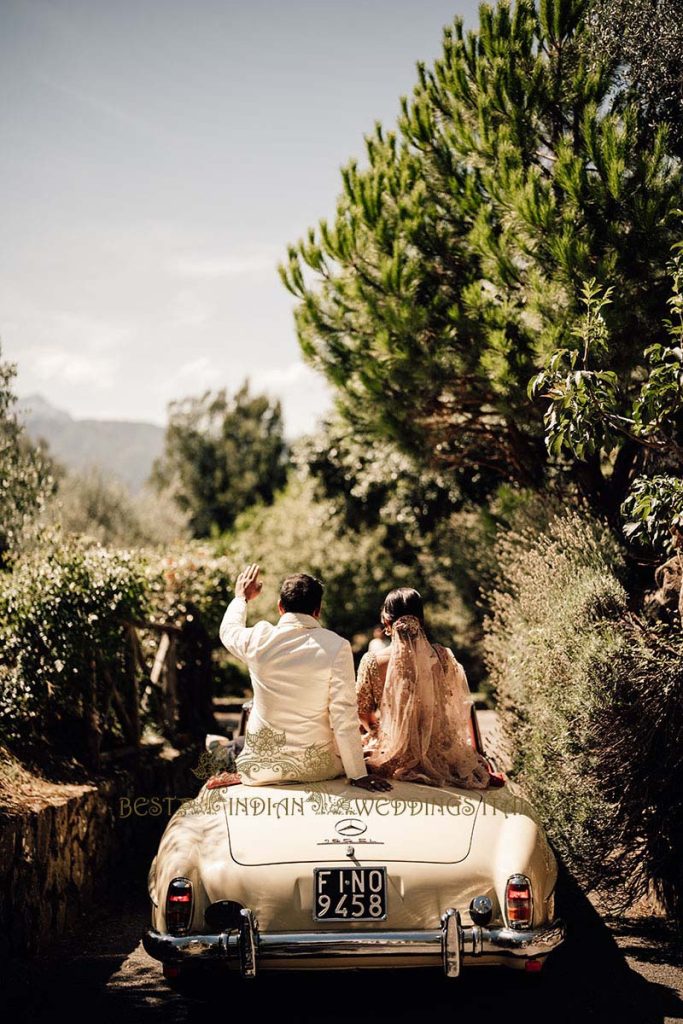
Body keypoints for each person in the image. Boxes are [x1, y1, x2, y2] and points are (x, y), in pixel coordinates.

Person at [218, 564, 391, 792]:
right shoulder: (337, 647)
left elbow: (228, 630)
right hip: (318, 768)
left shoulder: (258, 640)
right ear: (317, 611)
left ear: (280, 607)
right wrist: (358, 774)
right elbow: (343, 715)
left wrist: (241, 597)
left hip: (262, 771)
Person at [356, 587, 500, 789]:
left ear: (386, 621)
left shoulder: (372, 661)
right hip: (442, 755)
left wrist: (381, 734)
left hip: (392, 757)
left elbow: (362, 711)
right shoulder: (443, 656)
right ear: (420, 621)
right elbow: (460, 706)